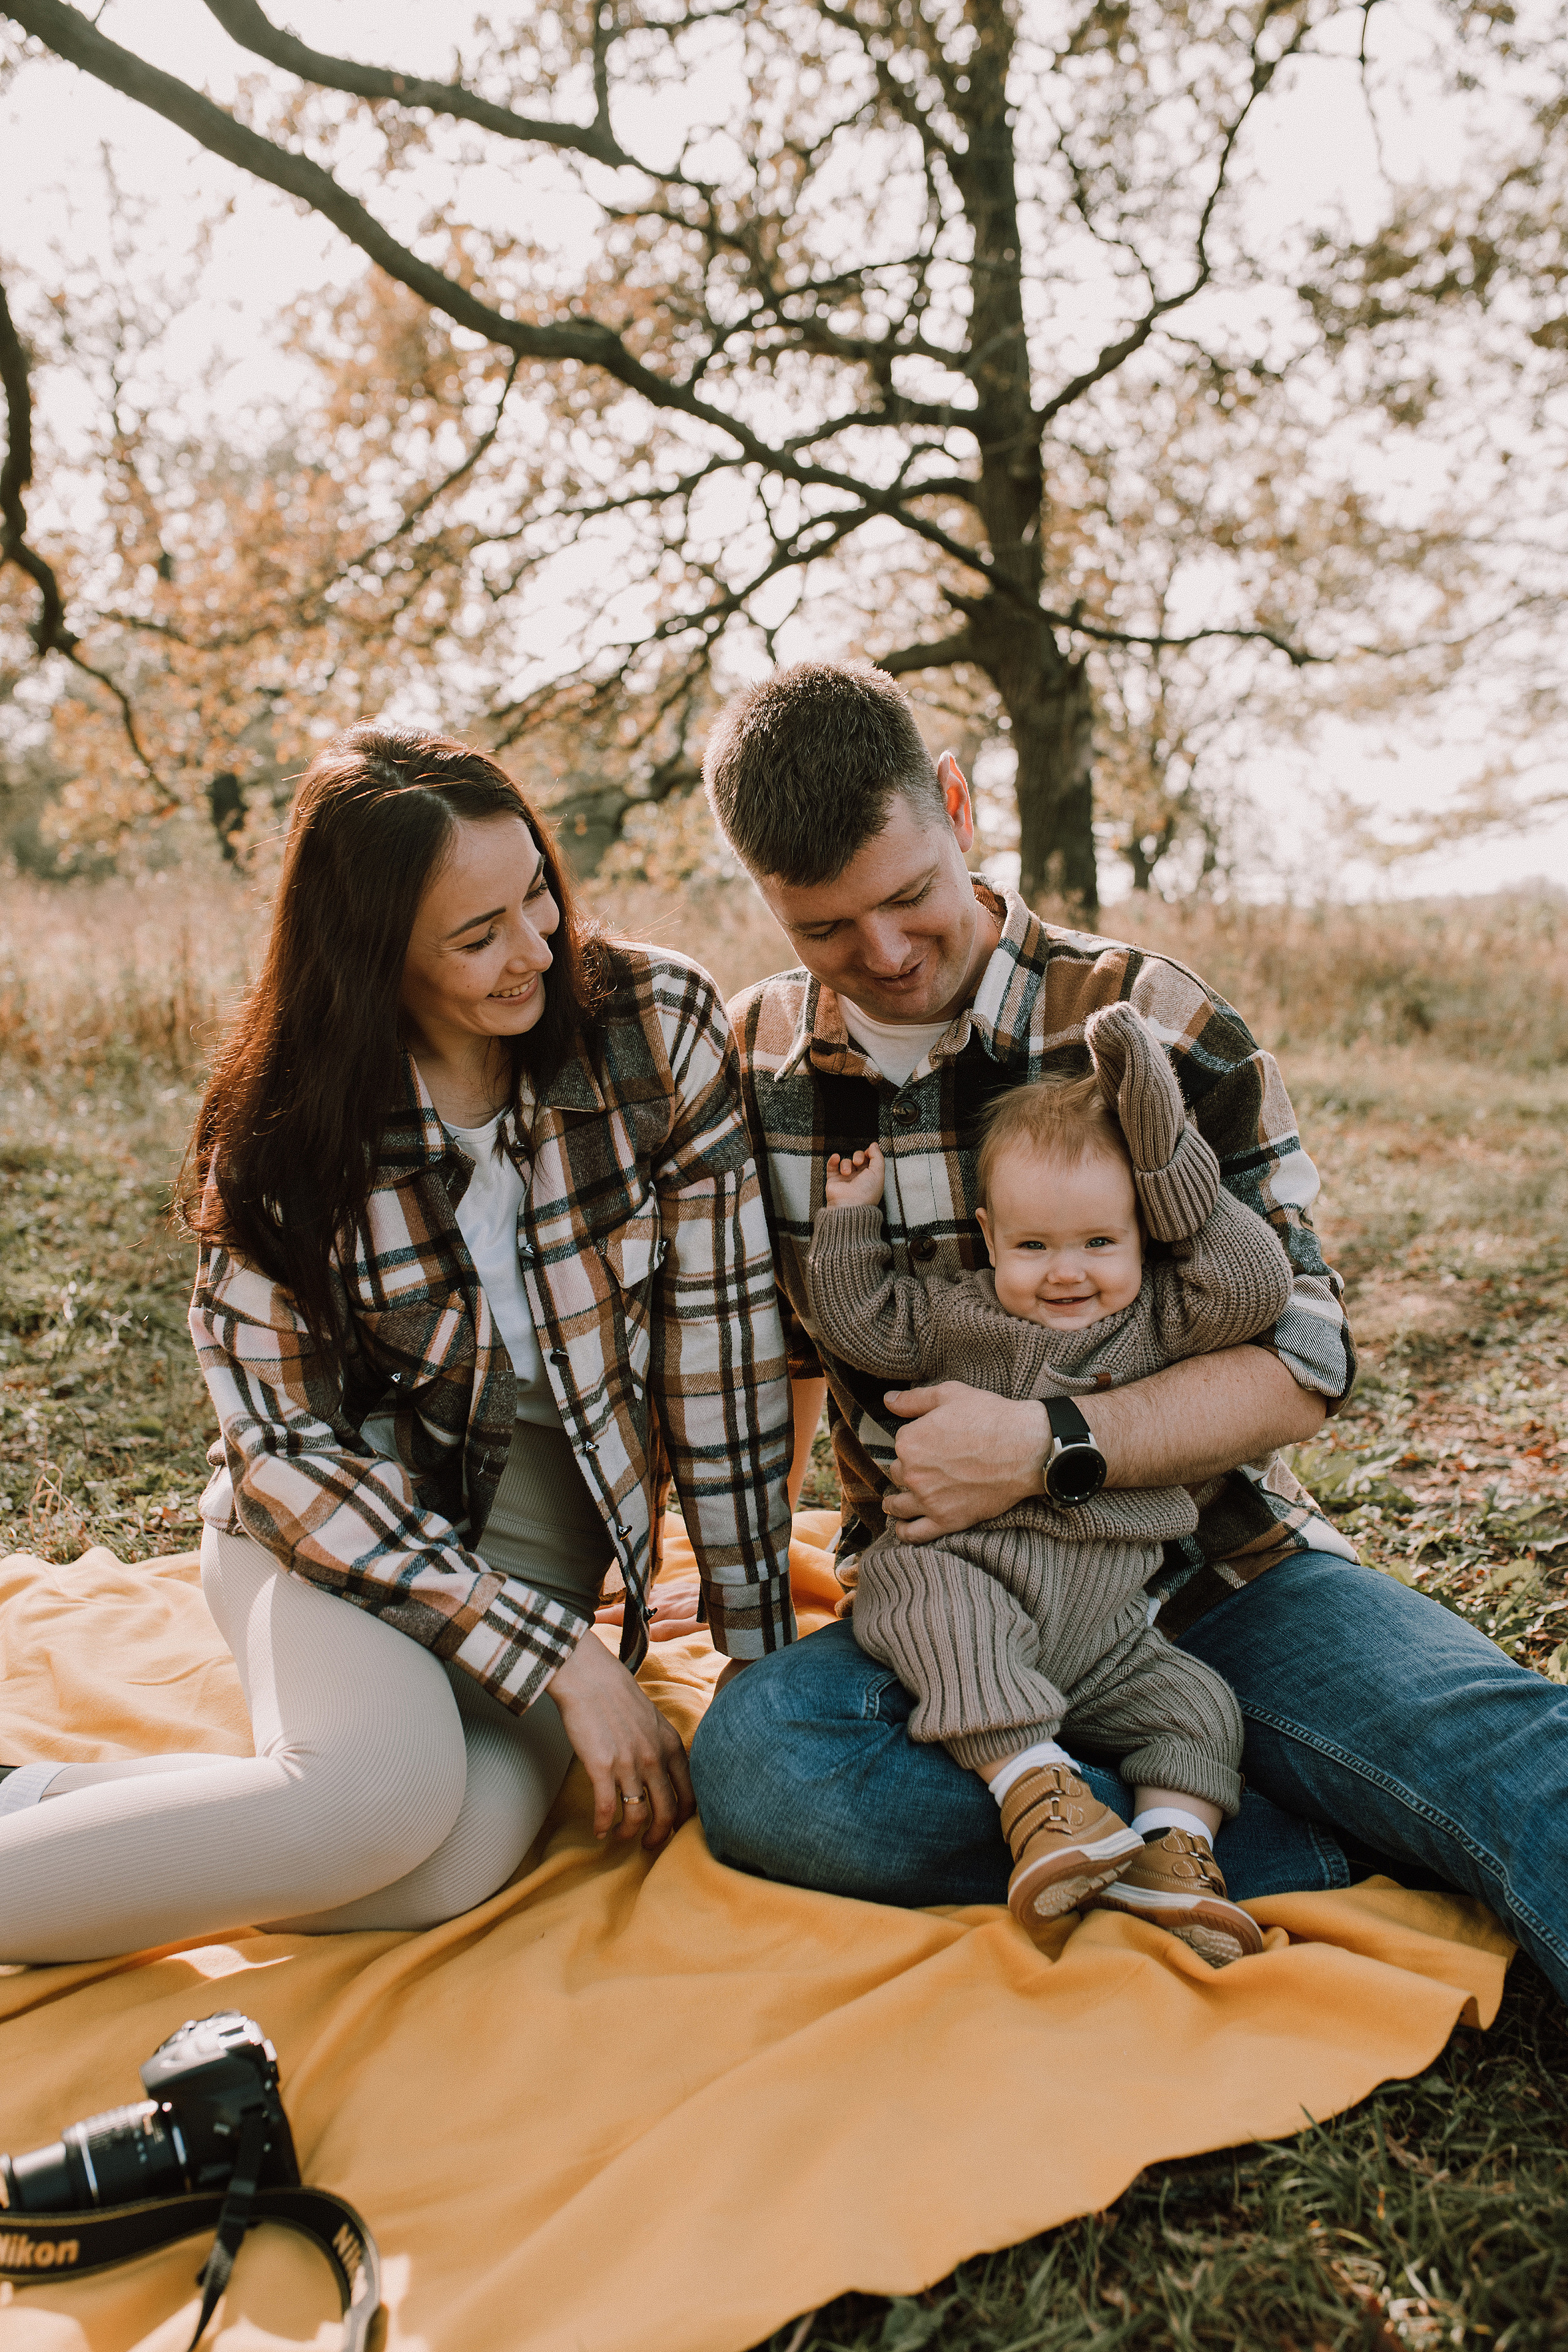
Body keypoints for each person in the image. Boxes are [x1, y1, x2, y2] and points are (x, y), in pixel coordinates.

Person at [688, 660, 1568, 2005]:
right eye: (822, 929)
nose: (882, 954)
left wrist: (1046, 1444)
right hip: (954, 1616)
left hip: (1212, 1570)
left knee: (1502, 1748)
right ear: (764, 901)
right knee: (764, 1766)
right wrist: (755, 1622)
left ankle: (1270, 1805)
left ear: (960, 807)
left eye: (910, 897)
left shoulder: (1149, 1022)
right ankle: (1214, 1834)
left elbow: (1302, 1364)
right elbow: (778, 1371)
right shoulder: (750, 1064)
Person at [0, 725, 794, 1965]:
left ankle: (32, 1812)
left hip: (543, 1531)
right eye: (476, 937)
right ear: (374, 957)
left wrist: (756, 1663)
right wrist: (561, 1662)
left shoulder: (656, 1022)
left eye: (537, 892)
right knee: (384, 1802)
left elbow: (722, 1348)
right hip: (330, 1533)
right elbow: (280, 1454)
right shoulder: (278, 1137)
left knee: (454, 1860)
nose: (535, 947)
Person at [810, 1001, 1295, 1966]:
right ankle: (1035, 1788)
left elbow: (1257, 1289)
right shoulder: (959, 1316)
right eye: (1034, 1247)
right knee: (917, 1594)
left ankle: (1173, 1856)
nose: (1066, 1274)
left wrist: (1168, 1160)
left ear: (1146, 1235)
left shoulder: (1160, 1316)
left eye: (1098, 1244)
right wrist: (848, 1226)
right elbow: (858, 1322)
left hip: (1112, 1629)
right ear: (990, 1239)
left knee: (1201, 1709)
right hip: (977, 1581)